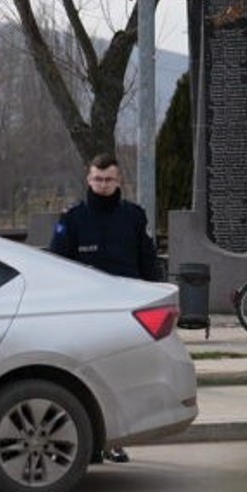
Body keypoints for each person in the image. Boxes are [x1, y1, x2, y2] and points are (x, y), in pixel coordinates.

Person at [49, 153, 160, 462]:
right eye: (97, 179)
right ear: (88, 179)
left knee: (122, 379)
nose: (103, 185)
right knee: (82, 379)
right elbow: (57, 265)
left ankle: (114, 440)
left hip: (125, 311)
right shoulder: (72, 218)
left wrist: (158, 294)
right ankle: (85, 445)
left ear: (118, 180)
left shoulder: (134, 216)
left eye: (109, 179)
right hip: (84, 312)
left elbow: (147, 261)